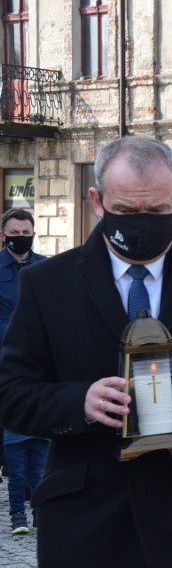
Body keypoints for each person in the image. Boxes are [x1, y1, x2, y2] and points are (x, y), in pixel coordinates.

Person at [0, 136, 172, 567]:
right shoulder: (49, 283)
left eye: (157, 211)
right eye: (126, 211)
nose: (142, 223)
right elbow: (11, 394)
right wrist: (79, 401)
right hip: (79, 523)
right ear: (97, 200)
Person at [0, 209, 48, 535]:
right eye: (15, 231)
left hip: (38, 366)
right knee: (13, 441)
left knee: (41, 437)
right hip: (3, 366)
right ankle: (17, 509)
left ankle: (40, 506)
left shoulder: (46, 267)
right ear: (4, 234)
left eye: (26, 230)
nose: (21, 236)